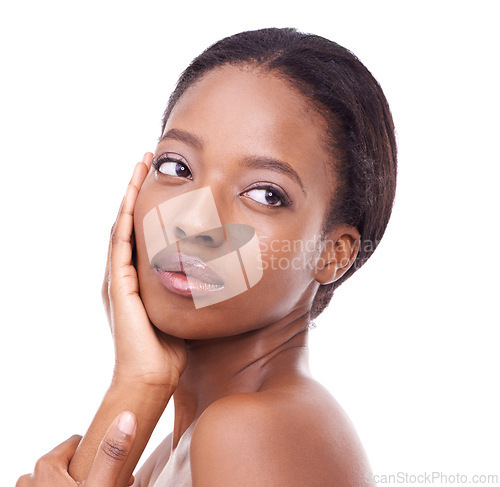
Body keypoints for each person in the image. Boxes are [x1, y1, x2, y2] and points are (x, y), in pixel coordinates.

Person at [17, 27, 397, 486]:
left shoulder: (252, 432)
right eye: (176, 167)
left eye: (264, 193)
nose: (192, 223)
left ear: (334, 253)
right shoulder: (172, 452)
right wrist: (138, 382)